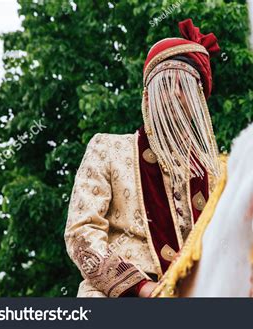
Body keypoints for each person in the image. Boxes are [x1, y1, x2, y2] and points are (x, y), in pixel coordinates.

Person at [64, 19, 221, 297]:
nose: (172, 94)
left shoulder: (219, 174)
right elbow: (82, 232)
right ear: (147, 97)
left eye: (182, 85)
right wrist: (141, 288)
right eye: (164, 85)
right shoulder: (107, 149)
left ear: (200, 98)